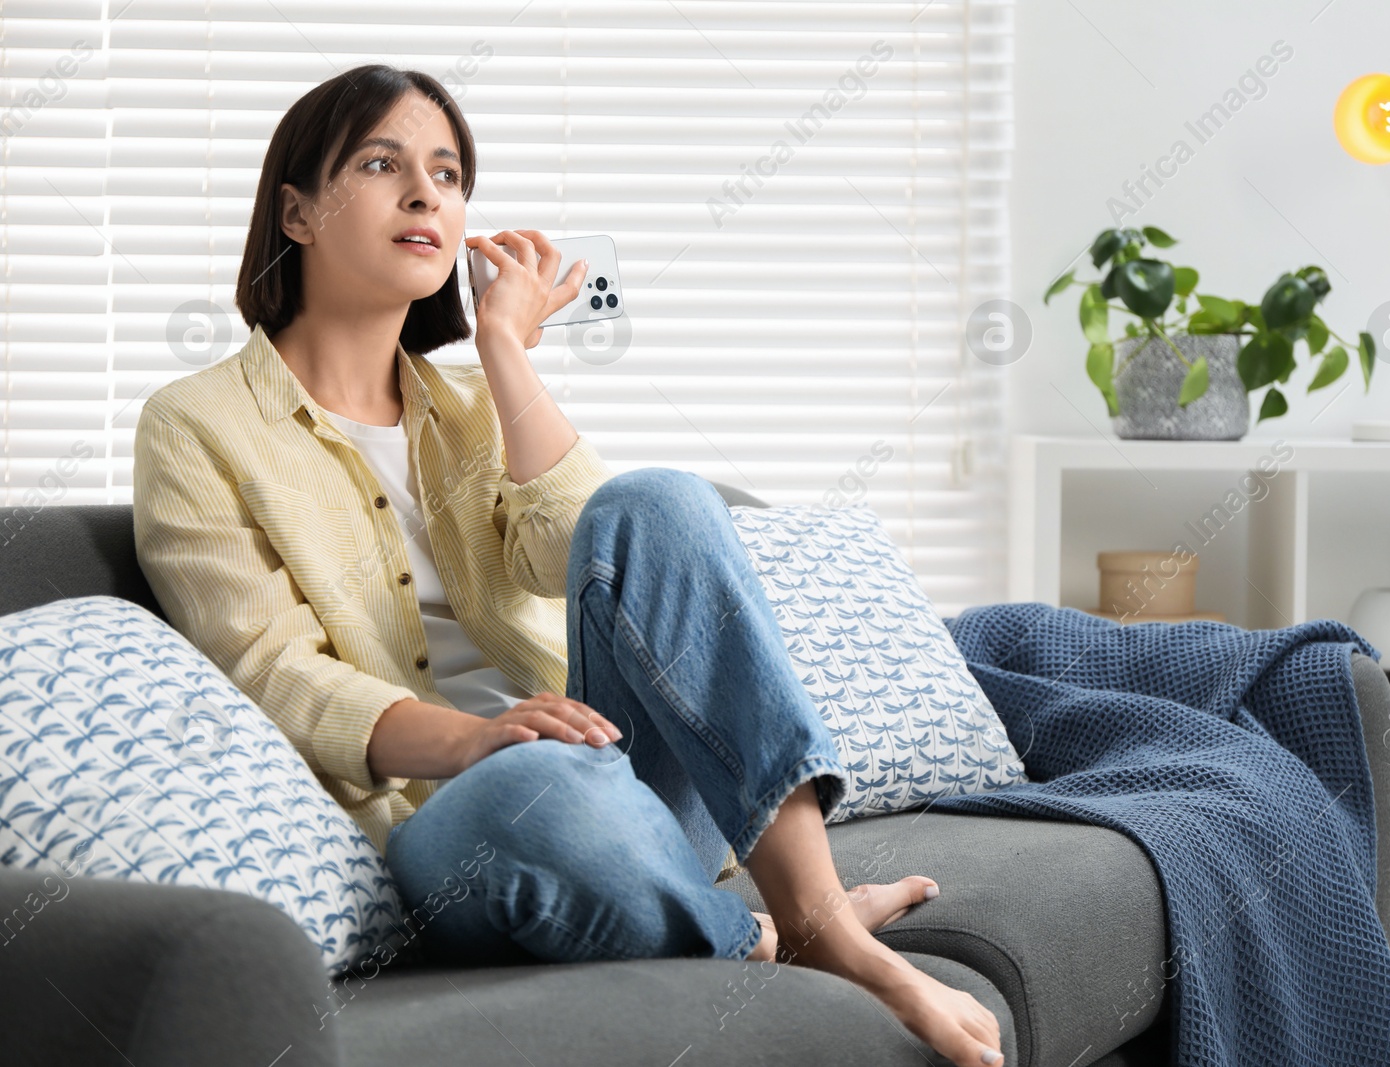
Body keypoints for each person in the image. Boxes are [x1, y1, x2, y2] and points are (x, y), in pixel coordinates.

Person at [131, 64, 1004, 1067]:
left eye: (449, 173)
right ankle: (759, 933)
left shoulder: (464, 407)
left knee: (661, 498)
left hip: (628, 780)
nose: (427, 194)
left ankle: (820, 923)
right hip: (472, 818)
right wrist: (473, 741)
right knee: (535, 790)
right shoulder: (195, 425)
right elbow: (269, 671)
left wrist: (506, 348)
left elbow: (575, 544)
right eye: (382, 163)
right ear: (297, 210)